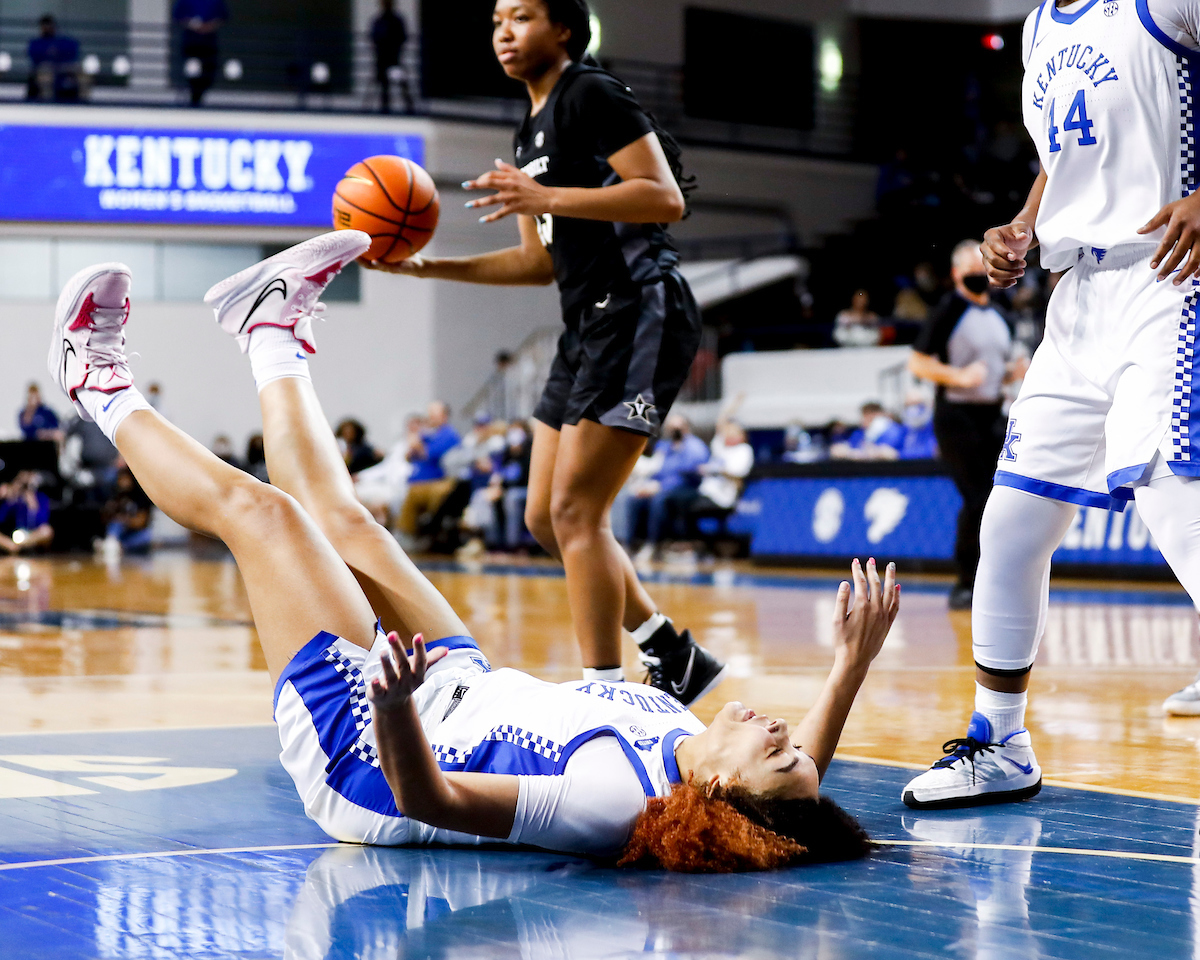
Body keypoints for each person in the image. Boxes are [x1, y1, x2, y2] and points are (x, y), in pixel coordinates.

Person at [42, 233, 896, 869]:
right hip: (457, 690)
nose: (785, 735)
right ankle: (268, 330)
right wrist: (849, 666)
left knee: (265, 517)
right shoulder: (697, 747)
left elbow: (433, 798)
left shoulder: (610, 801)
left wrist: (391, 706)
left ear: (719, 793)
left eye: (775, 752)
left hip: (371, 755)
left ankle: (95, 383)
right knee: (348, 524)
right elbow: (804, 779)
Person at [364, 0, 725, 704]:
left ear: (563, 27)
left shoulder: (590, 93)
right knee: (540, 518)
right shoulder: (528, 130)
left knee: (575, 514)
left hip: (640, 308)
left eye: (521, 16)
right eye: (495, 17)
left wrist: (546, 192)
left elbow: (664, 197)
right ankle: (671, 652)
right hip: (584, 324)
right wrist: (426, 268)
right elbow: (537, 263)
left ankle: (606, 691)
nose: (502, 30)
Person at [904, 0, 1200, 807]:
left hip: (1168, 279)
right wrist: (1026, 224)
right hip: (1075, 297)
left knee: (1175, 501)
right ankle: (999, 741)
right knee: (1012, 520)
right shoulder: (1039, 27)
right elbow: (1067, 153)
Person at [908, 240, 1025, 610]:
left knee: (1001, 497)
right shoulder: (948, 310)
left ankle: (999, 577)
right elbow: (918, 362)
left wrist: (1009, 375)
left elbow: (992, 371)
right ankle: (966, 582)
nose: (980, 275)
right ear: (957, 274)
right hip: (956, 416)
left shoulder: (1001, 314)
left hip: (992, 413)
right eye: (972, 269)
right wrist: (958, 377)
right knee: (976, 497)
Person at [396, 402, 460, 541]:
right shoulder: (429, 434)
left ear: (444, 416)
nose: (430, 418)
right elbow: (409, 457)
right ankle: (408, 533)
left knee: (422, 494)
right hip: (419, 481)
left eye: (434, 414)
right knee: (411, 492)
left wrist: (417, 443)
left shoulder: (448, 434)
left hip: (439, 481)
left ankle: (428, 534)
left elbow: (429, 454)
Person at [172, 0, 227, 107]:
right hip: (191, 43)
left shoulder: (216, 2)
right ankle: (194, 98)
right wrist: (193, 25)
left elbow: (222, 16)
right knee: (193, 72)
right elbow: (178, 16)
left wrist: (209, 26)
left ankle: (199, 97)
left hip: (209, 43)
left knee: (208, 71)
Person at [371, 0, 414, 115]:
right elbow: (374, 38)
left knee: (401, 83)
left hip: (394, 60)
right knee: (384, 88)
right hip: (383, 61)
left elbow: (402, 37)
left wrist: (393, 46)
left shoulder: (396, 21)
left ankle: (410, 110)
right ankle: (385, 110)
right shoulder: (379, 20)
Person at [100, 464, 154, 555]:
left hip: (133, 532)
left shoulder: (141, 496)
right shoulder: (115, 494)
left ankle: (118, 546)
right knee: (115, 525)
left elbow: (142, 521)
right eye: (120, 478)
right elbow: (105, 518)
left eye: (125, 478)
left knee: (147, 536)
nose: (123, 482)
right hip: (118, 532)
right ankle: (111, 541)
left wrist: (126, 520)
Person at [26, 15, 80, 103]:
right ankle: (48, 102)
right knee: (45, 73)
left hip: (63, 67)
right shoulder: (36, 43)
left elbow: (73, 50)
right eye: (45, 26)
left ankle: (83, 103)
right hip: (45, 68)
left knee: (81, 73)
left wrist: (57, 55)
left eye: (49, 26)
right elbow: (35, 58)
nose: (47, 28)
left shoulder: (63, 41)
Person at [830, 402, 906, 461]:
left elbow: (885, 453)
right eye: (864, 416)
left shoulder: (893, 431)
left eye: (868, 416)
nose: (863, 420)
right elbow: (852, 447)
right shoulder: (859, 433)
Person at [0, 471, 53, 555]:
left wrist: (33, 505)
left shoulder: (41, 498)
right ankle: (14, 547)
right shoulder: (16, 500)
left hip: (32, 536)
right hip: (17, 535)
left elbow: (43, 521)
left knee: (47, 531)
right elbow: (2, 516)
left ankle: (22, 546)